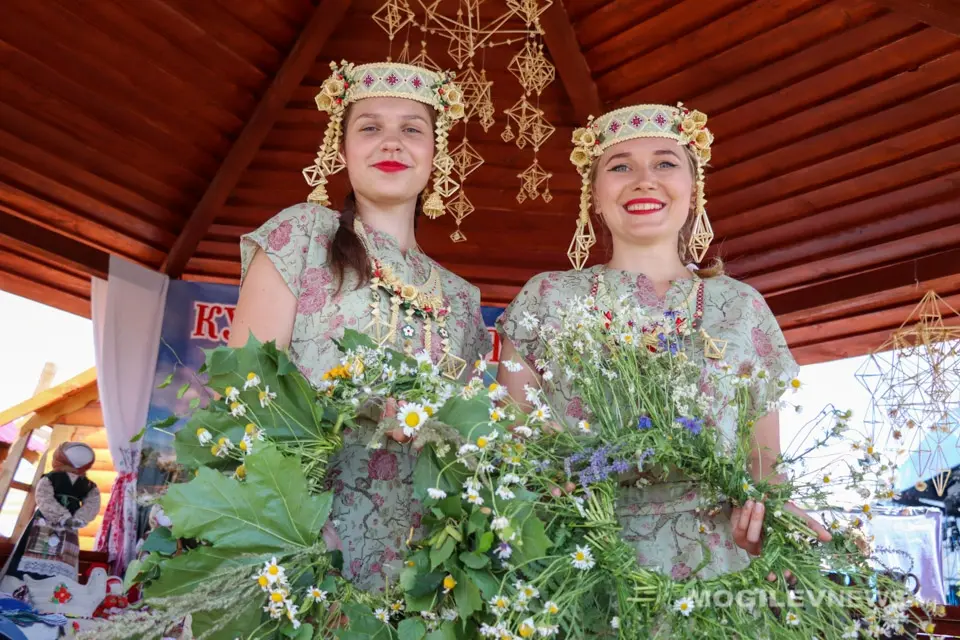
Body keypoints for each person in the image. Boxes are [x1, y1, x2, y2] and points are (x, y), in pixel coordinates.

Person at [496, 103, 829, 582]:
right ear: (594, 194)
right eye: (620, 166)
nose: (644, 180)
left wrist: (768, 522)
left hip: (714, 570)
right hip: (579, 563)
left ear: (694, 191)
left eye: (665, 164)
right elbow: (516, 436)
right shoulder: (546, 297)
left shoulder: (741, 307)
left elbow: (764, 465)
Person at [229, 60, 491, 591]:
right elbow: (243, 393)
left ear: (434, 155)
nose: (391, 143)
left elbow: (463, 445)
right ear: (341, 148)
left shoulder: (462, 300)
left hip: (424, 570)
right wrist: (298, 529)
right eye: (370, 127)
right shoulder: (302, 236)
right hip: (299, 546)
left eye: (412, 130)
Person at [3, 442, 100, 582]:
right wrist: (63, 516)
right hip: (46, 521)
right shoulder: (51, 478)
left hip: (69, 525)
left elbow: (92, 502)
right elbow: (44, 498)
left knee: (64, 555)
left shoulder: (87, 484)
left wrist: (80, 518)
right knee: (36, 550)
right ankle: (22, 584)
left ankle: (57, 587)